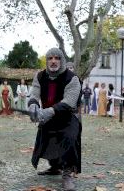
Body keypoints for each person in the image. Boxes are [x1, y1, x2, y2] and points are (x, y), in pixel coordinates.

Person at [28, 48, 82, 191]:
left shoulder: (72, 78)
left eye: (57, 58)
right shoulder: (39, 76)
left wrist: (50, 111)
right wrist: (33, 105)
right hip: (48, 117)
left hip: (68, 117)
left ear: (62, 60)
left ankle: (67, 174)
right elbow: (34, 93)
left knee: (68, 138)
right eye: (50, 58)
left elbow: (69, 101)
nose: (53, 61)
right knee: (47, 140)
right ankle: (54, 167)